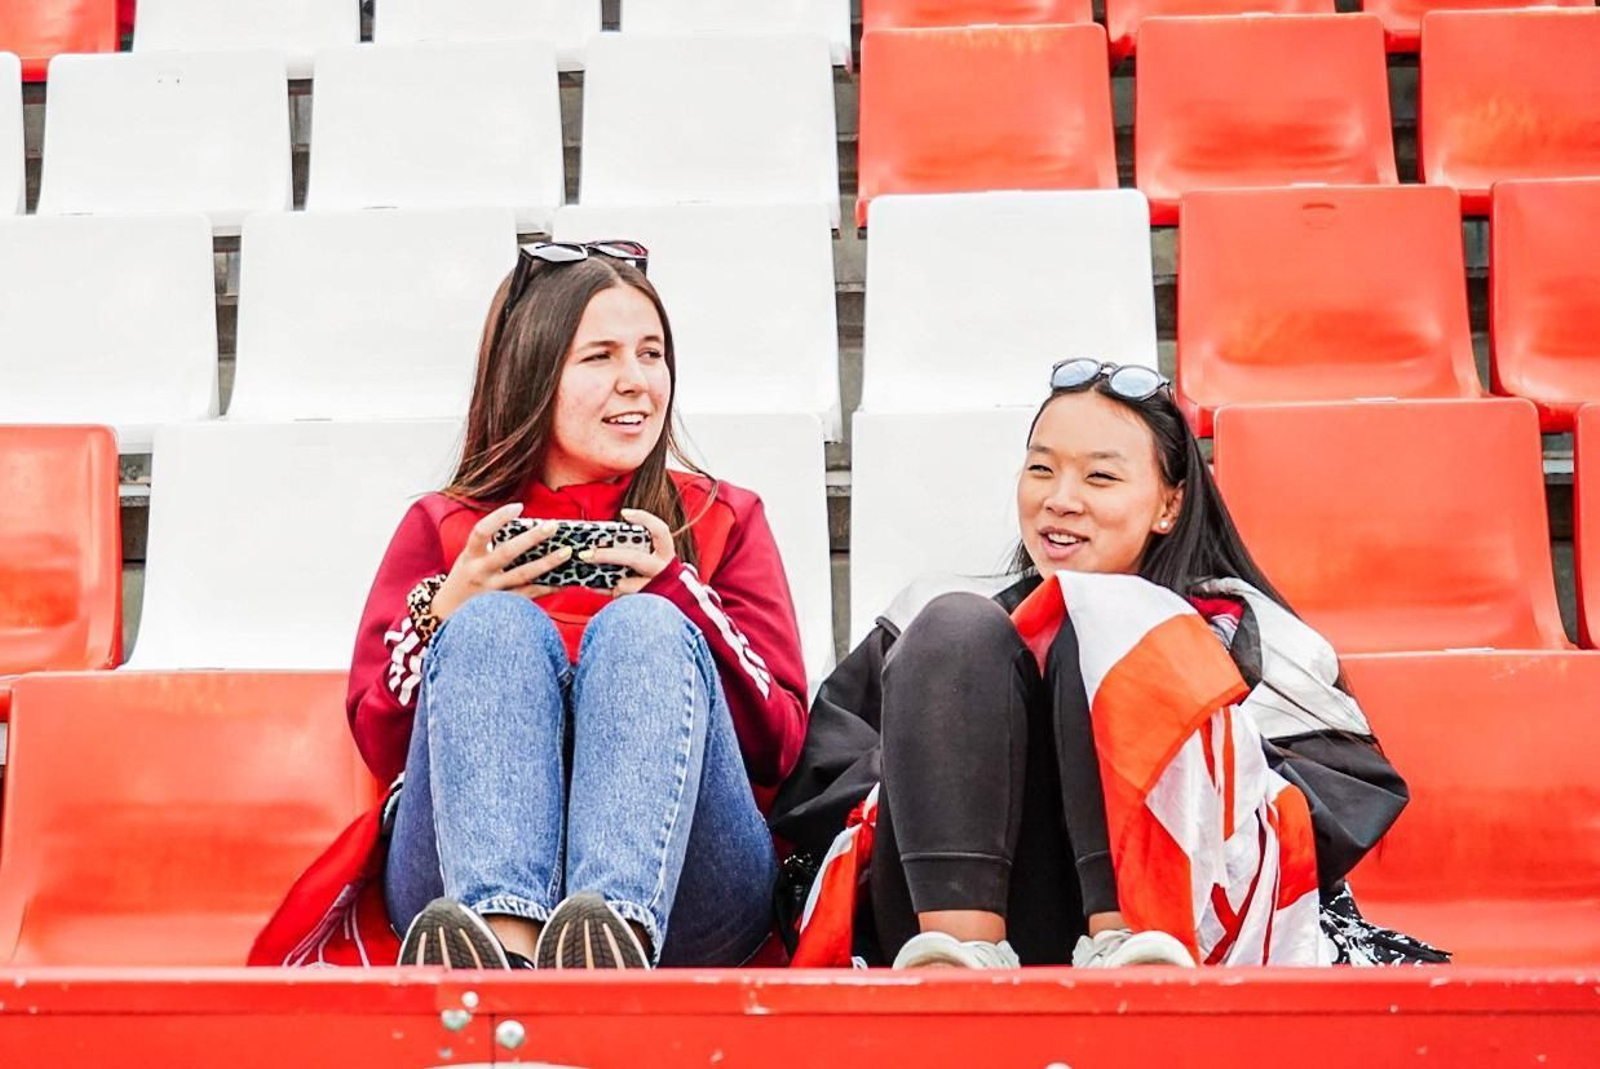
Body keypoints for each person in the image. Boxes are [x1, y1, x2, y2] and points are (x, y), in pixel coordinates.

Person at [770, 360, 1437, 971]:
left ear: (1170, 504)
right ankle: (956, 967)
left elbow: (1337, 805)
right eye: (1041, 469)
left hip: (1178, 923)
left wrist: (1178, 746)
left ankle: (1122, 945)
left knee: (1102, 633)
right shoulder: (939, 624)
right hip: (947, 913)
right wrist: (959, 768)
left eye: (1101, 476)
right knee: (959, 625)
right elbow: (822, 787)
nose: (1061, 498)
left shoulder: (1246, 633)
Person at [265, 241, 809, 971]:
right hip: (456, 888)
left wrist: (677, 593)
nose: (637, 383)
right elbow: (380, 743)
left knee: (644, 626)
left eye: (652, 354)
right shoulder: (448, 525)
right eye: (600, 358)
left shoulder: (722, 516)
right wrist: (446, 608)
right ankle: (507, 945)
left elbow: (779, 743)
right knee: (492, 625)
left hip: (691, 893)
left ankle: (609, 937)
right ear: (532, 373)